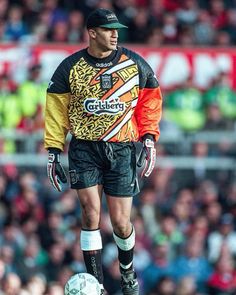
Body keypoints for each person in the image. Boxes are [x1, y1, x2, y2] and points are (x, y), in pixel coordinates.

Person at [44, 8, 162, 295]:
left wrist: (148, 138)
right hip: (84, 147)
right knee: (89, 214)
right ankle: (95, 284)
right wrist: (53, 150)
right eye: (109, 30)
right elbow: (56, 111)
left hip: (122, 148)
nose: (114, 35)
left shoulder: (134, 64)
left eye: (116, 30)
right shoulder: (70, 67)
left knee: (121, 224)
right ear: (92, 32)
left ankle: (127, 273)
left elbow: (150, 100)